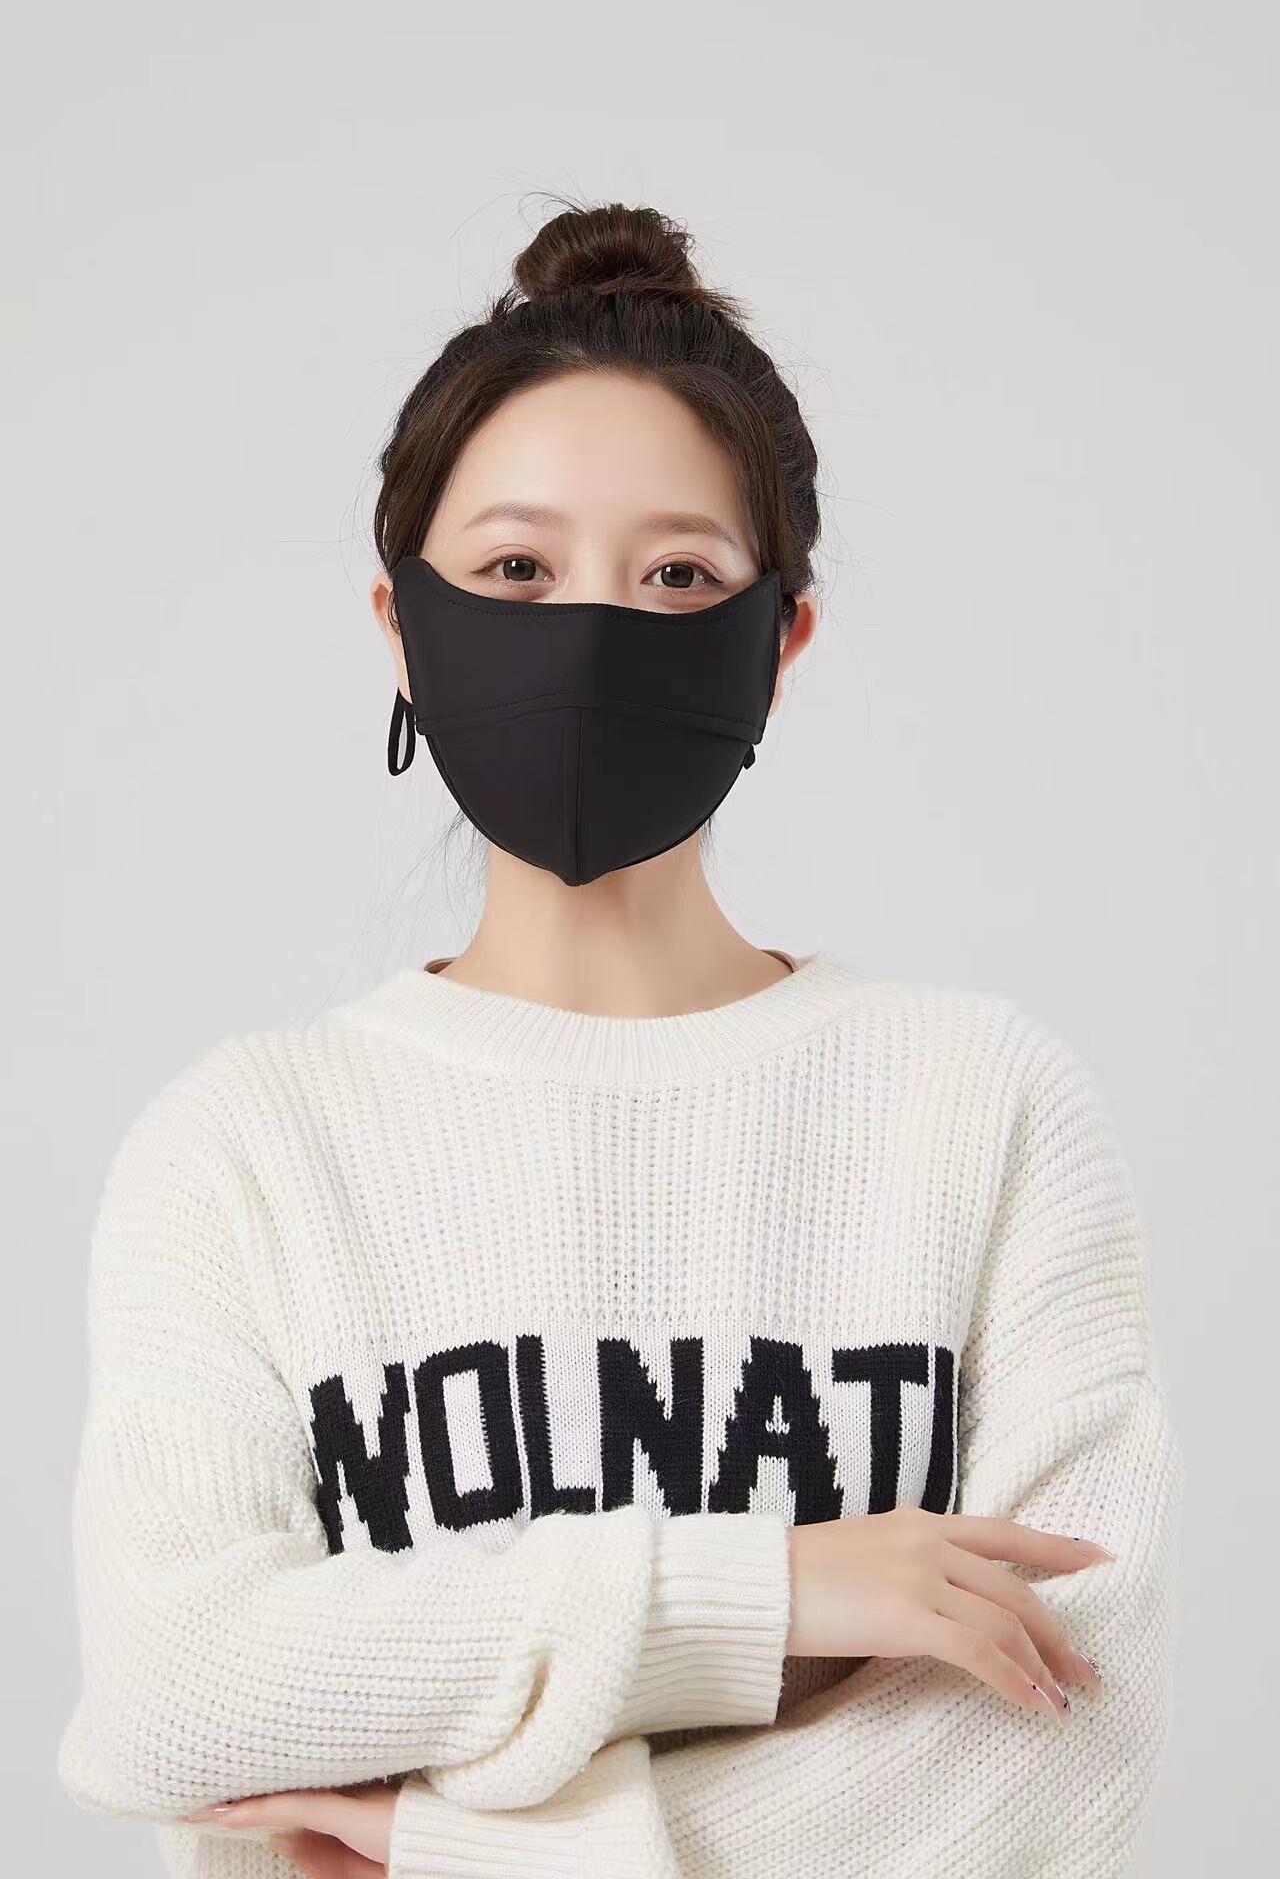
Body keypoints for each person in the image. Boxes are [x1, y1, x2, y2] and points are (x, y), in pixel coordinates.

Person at [56, 200, 1182, 1879]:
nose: (590, 632)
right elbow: (178, 1695)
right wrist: (767, 1594)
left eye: (679, 576)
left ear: (779, 643)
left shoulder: (984, 1108)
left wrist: (465, 1849)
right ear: (403, 629)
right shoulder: (245, 1146)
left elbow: (1063, 1735)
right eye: (517, 570)